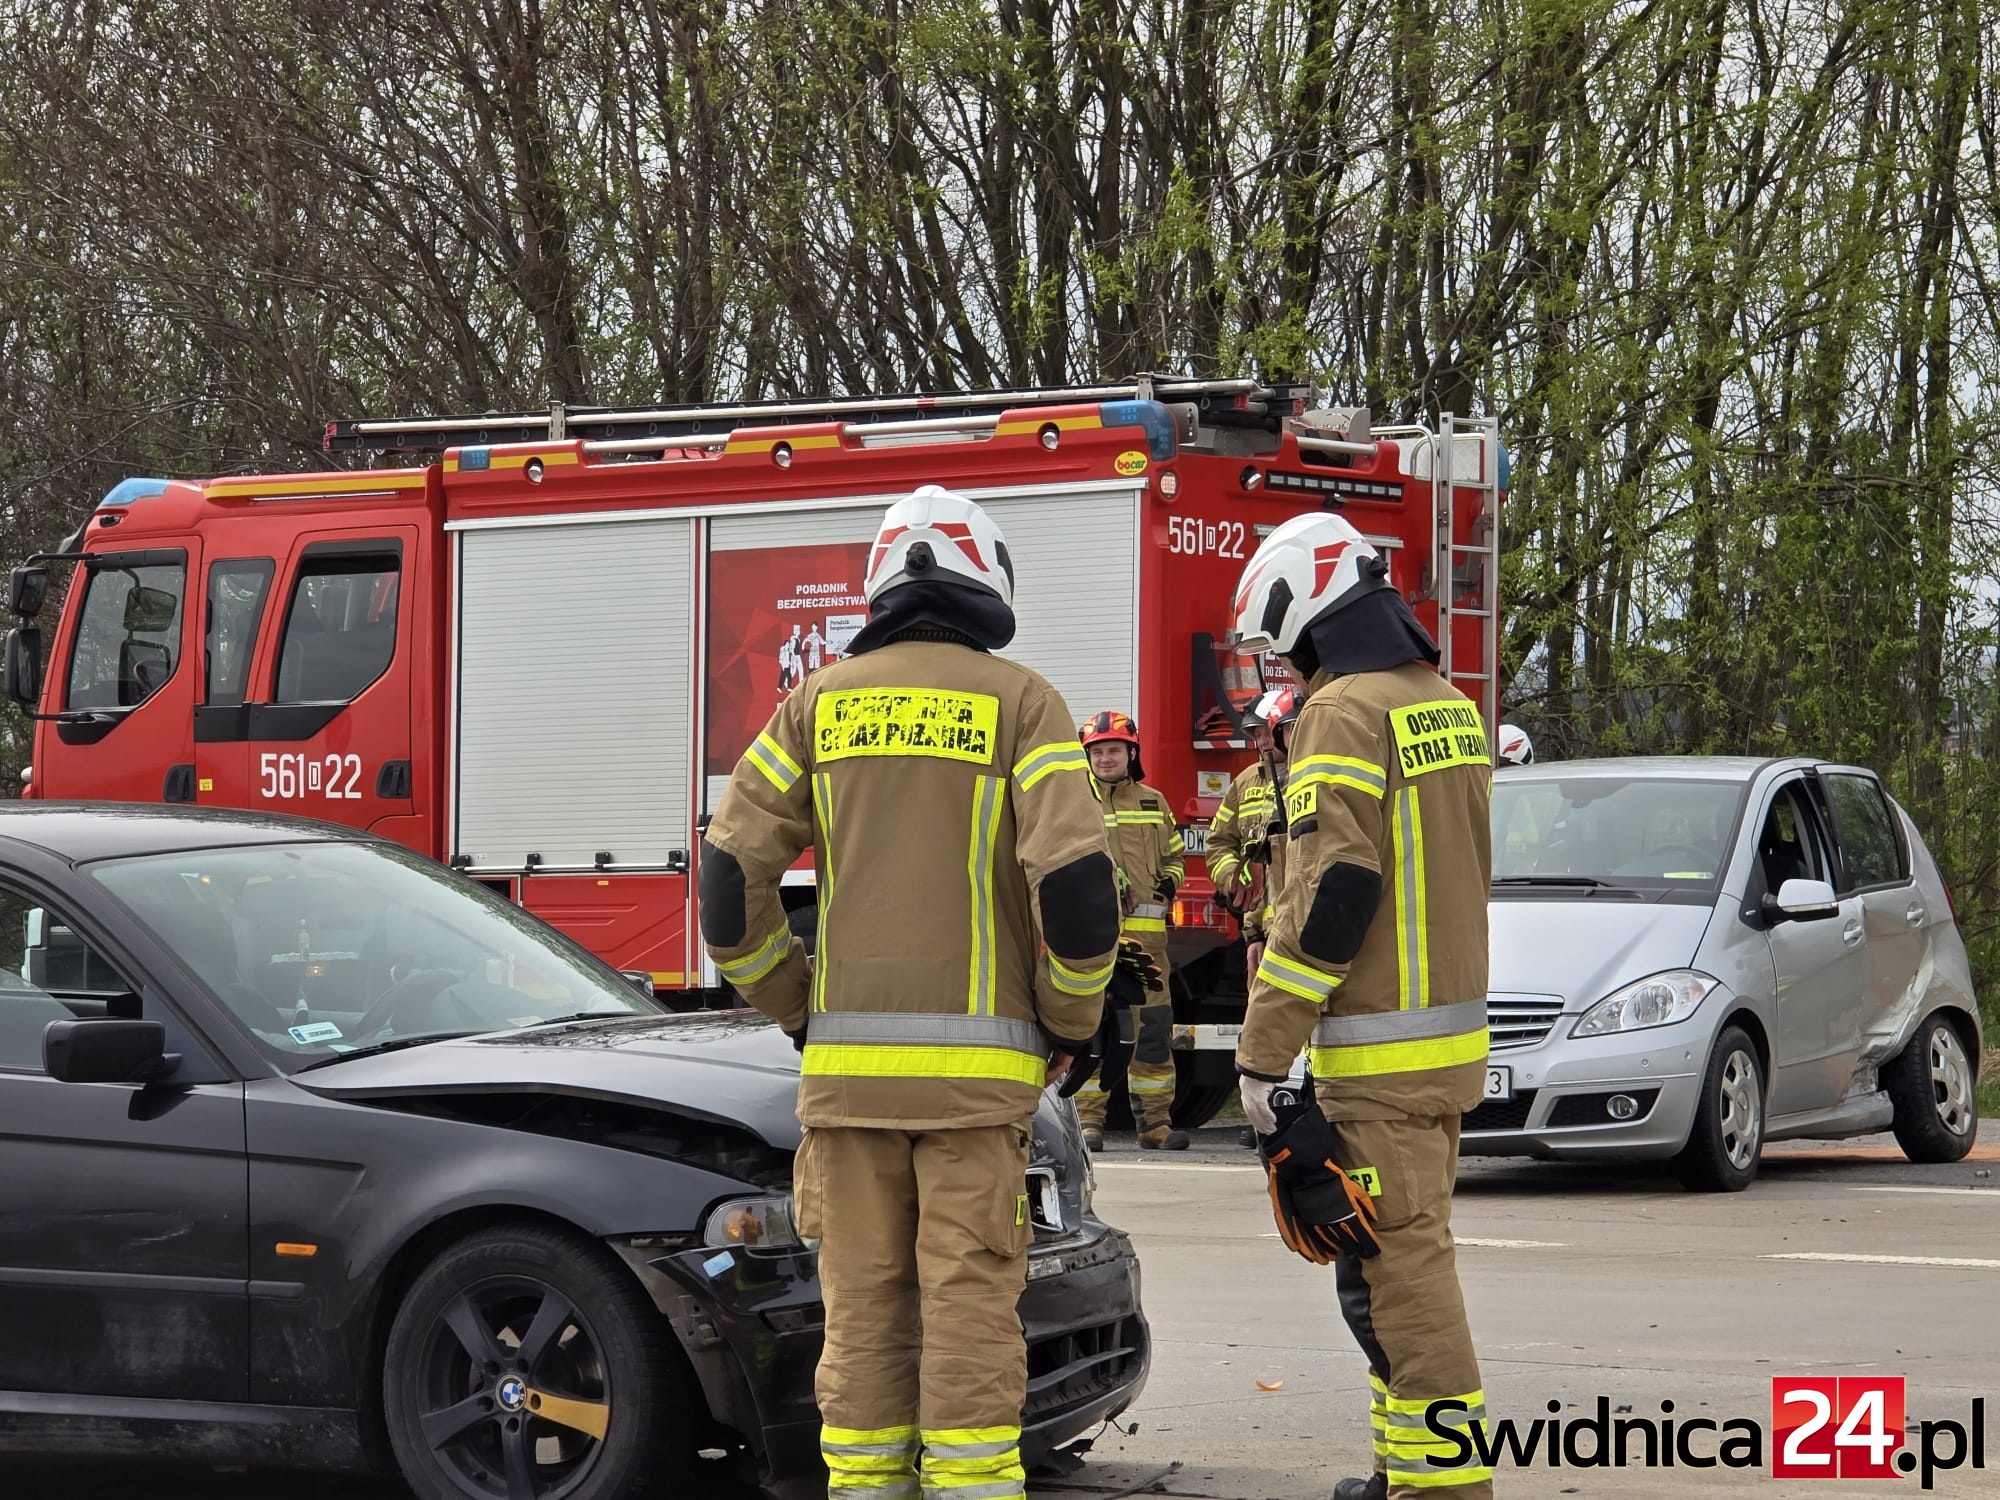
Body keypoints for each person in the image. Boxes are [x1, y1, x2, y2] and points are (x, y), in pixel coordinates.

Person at [700, 484, 1121, 1500]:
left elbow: (725, 887)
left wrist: (801, 1008)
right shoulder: (1022, 703)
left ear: (881, 581)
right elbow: (1075, 893)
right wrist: (1066, 1022)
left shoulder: (816, 706)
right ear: (988, 579)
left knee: (861, 1318)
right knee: (969, 1311)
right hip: (977, 1096)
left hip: (846, 1090)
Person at [1230, 512, 1495, 1500]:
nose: (1285, 667)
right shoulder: (1444, 702)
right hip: (1438, 1042)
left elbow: (1335, 891)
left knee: (1402, 1285)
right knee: (1381, 1275)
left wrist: (1261, 1056)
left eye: (1283, 645)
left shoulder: (1341, 713)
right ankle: (1400, 1474)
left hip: (1378, 1055)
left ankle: (1448, 1488)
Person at [1073, 710, 1189, 1152]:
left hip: (1149, 949)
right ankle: (1088, 1124)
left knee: (1154, 1034)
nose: (1105, 759)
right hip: (1093, 942)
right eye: (1097, 751)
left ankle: (1156, 1124)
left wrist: (1167, 885)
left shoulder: (1153, 802)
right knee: (1091, 1031)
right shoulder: (1074, 805)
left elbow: (1175, 856)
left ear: (1131, 753)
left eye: (1113, 750)